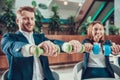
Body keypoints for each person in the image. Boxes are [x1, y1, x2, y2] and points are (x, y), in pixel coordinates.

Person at [1, 6, 81, 80]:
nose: (30, 22)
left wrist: (66, 45)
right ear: (18, 21)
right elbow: (12, 46)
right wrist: (32, 49)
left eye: (32, 18)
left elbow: (53, 42)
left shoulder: (40, 37)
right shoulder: (9, 38)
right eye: (25, 18)